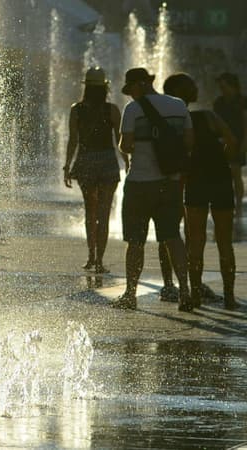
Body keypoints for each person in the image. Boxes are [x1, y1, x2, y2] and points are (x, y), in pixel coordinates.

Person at [115, 68, 193, 311]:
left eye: (131, 90)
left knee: (135, 241)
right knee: (172, 237)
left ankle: (130, 294)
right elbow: (189, 142)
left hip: (140, 183)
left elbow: (126, 146)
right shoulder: (178, 105)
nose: (129, 96)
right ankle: (185, 291)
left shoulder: (133, 109)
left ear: (139, 85)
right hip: (169, 183)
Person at [164, 73, 239, 310]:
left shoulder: (171, 121)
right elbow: (232, 142)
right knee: (224, 240)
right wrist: (221, 159)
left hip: (194, 180)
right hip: (219, 178)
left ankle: (194, 295)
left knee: (194, 240)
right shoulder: (207, 116)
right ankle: (228, 297)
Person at [63, 67, 127, 274]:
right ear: (105, 87)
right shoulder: (112, 110)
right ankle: (100, 260)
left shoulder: (77, 109)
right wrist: (127, 162)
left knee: (90, 213)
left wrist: (67, 166)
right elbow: (120, 141)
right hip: (108, 162)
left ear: (86, 87)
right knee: (104, 213)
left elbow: (73, 140)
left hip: (85, 162)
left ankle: (91, 256)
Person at [213, 73, 247, 216]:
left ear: (232, 85)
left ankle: (238, 203)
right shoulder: (219, 102)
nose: (221, 88)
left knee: (235, 172)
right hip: (222, 141)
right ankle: (228, 202)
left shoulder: (242, 101)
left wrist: (244, 143)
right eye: (220, 86)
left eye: (224, 85)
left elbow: (246, 123)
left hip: (238, 140)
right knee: (224, 173)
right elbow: (215, 123)